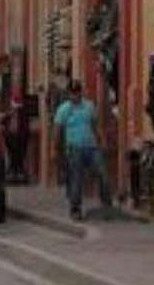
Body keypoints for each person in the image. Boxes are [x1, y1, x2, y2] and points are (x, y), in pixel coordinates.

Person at [53, 80, 110, 220]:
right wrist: (55, 149)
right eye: (73, 93)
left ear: (81, 92)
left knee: (103, 172)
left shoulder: (89, 106)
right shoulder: (63, 109)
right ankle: (75, 209)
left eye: (77, 92)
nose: (75, 95)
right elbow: (57, 131)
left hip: (91, 146)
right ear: (69, 94)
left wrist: (102, 141)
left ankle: (107, 203)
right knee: (76, 178)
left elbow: (96, 126)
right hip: (74, 148)